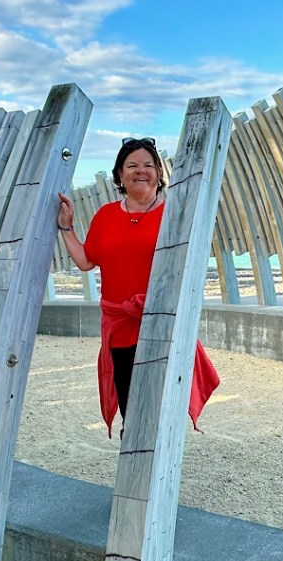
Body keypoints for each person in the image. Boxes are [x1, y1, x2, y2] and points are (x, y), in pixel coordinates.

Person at [56, 136, 219, 437]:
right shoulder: (105, 215)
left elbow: (190, 267)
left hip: (161, 324)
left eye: (148, 165)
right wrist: (66, 227)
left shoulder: (175, 215)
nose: (140, 171)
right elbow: (86, 261)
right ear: (120, 174)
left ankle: (160, 463)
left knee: (160, 410)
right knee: (132, 414)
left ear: (159, 172)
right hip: (120, 330)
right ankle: (133, 459)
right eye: (131, 165)